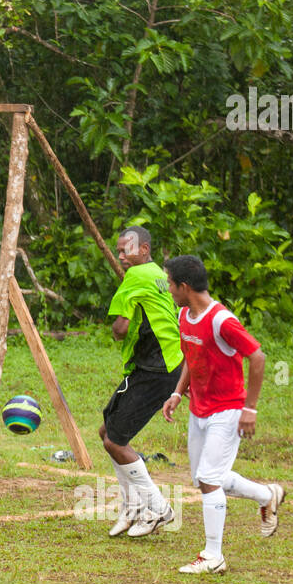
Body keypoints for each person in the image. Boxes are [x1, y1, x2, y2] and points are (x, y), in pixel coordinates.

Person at [161, 255, 284, 574]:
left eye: (170, 284)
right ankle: (266, 495)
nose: (169, 289)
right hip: (198, 409)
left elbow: (257, 357)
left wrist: (250, 408)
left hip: (228, 411)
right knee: (203, 478)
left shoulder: (221, 321)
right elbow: (191, 356)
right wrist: (177, 392)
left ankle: (213, 556)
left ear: (184, 286)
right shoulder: (184, 316)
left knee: (210, 478)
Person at [100, 226, 186, 538]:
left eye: (127, 251)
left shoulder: (136, 277)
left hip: (155, 368)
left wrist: (116, 326)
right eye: (119, 251)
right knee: (107, 431)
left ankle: (159, 508)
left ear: (145, 250)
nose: (121, 256)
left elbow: (120, 328)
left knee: (115, 440)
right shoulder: (160, 276)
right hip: (163, 365)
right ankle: (132, 507)